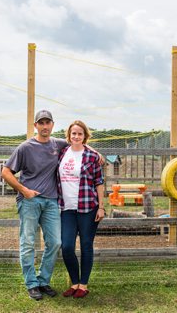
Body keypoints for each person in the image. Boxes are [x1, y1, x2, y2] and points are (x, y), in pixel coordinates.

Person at [1, 109, 67, 301]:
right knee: (28, 242)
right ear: (35, 126)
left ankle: (43, 280)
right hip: (30, 201)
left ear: (53, 125)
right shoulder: (25, 147)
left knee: (55, 242)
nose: (45, 126)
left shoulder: (59, 144)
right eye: (41, 123)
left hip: (51, 202)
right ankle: (31, 283)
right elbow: (6, 172)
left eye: (48, 123)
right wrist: (24, 190)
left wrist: (97, 153)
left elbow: (79, 144)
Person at [57, 120, 105, 299]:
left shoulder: (92, 156)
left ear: (85, 136)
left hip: (88, 208)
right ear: (69, 136)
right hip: (66, 208)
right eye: (73, 133)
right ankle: (74, 282)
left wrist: (101, 207)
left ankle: (83, 285)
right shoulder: (62, 153)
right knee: (67, 246)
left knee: (86, 245)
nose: (76, 136)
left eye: (80, 134)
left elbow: (99, 182)